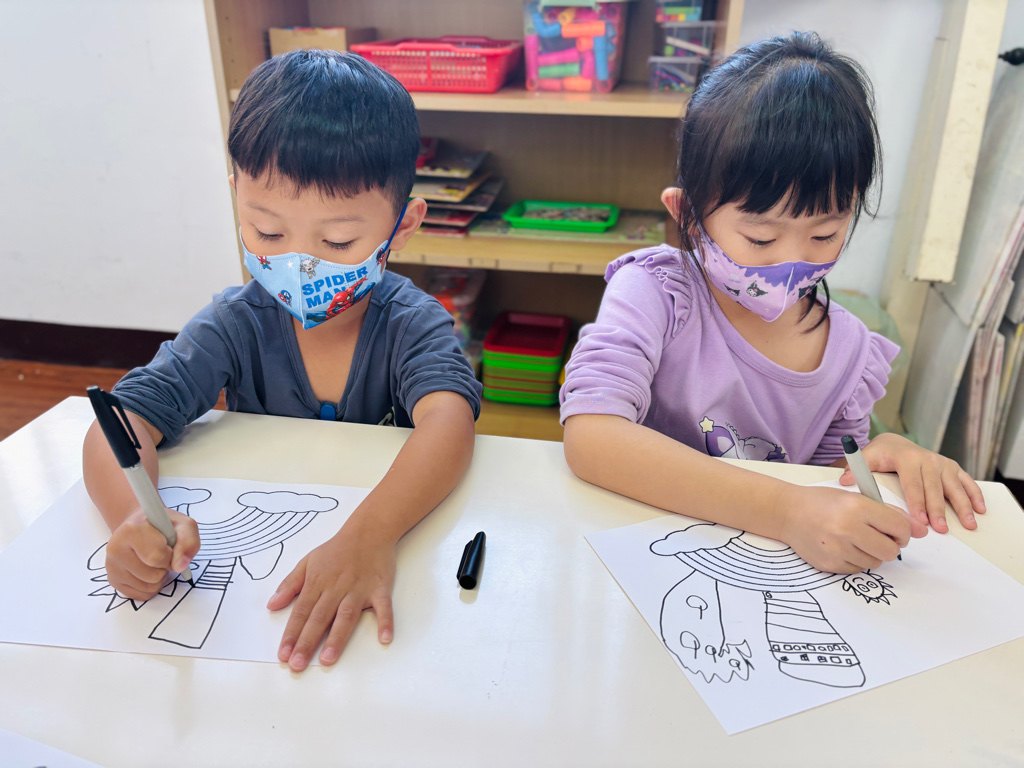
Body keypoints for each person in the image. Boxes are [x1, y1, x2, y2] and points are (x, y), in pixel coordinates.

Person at [83, 50, 482, 671]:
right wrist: (134, 517)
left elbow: (450, 423)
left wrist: (371, 535)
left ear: (402, 227)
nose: (299, 263)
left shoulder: (411, 322)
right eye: (268, 232)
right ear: (236, 197)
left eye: (338, 241)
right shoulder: (234, 323)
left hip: (391, 581)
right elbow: (121, 422)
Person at [560, 32, 985, 574]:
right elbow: (591, 436)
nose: (791, 261)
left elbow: (829, 484)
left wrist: (884, 457)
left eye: (825, 235)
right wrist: (785, 512)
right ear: (688, 215)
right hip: (636, 558)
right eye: (761, 239)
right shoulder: (655, 292)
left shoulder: (850, 354)